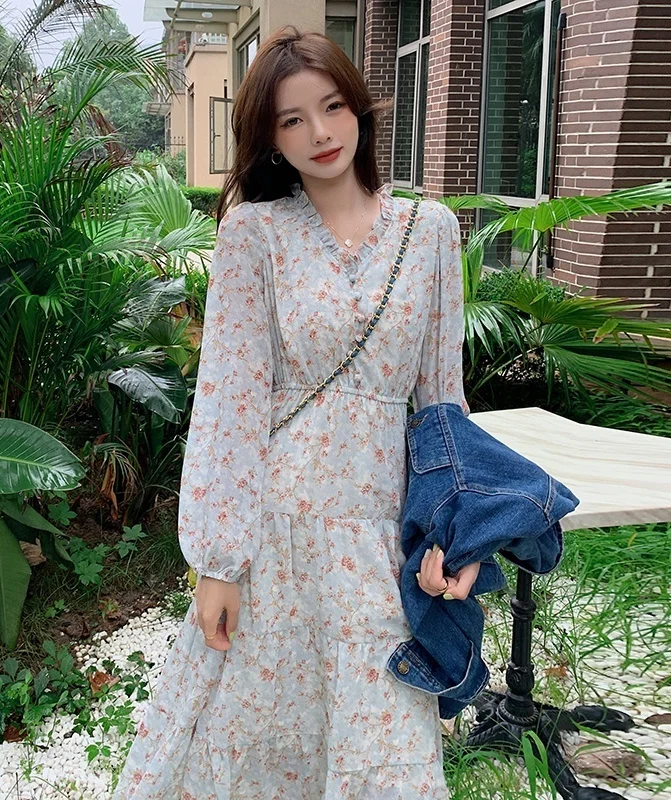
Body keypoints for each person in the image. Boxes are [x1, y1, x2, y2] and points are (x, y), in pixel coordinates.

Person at [112, 24, 479, 800]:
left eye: (332, 106)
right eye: (292, 119)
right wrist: (218, 563)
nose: (319, 132)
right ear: (271, 140)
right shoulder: (255, 235)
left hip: (381, 543)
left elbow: (443, 408)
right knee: (262, 749)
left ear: (360, 108)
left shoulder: (431, 233)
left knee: (390, 760)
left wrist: (458, 536)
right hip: (274, 537)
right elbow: (229, 402)